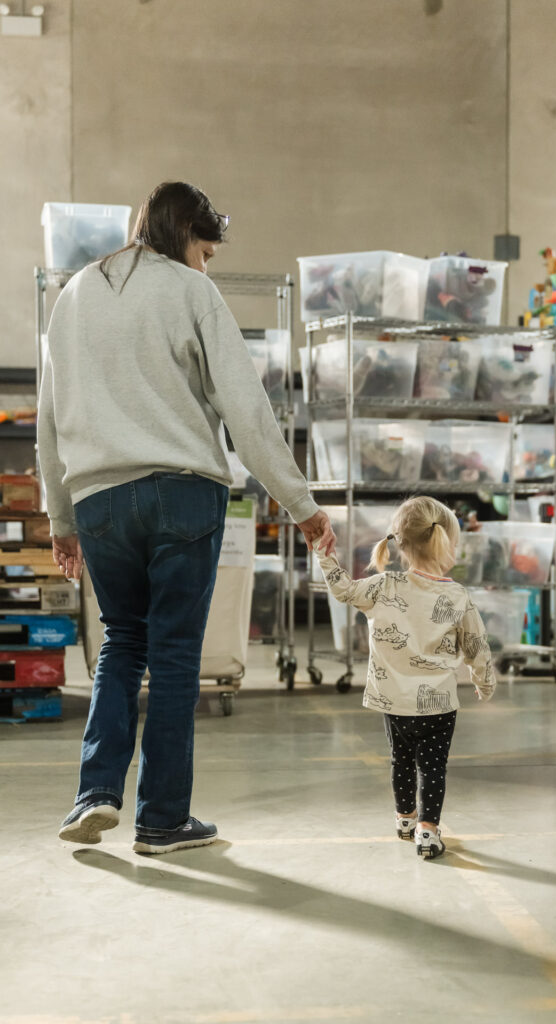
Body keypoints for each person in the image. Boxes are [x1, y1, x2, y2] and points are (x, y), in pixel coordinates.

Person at [38, 181, 335, 855]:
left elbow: (50, 421)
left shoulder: (75, 293)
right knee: (173, 657)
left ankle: (94, 794)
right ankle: (163, 821)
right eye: (206, 252)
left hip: (98, 500)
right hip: (181, 494)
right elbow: (246, 409)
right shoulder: (192, 291)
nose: (206, 267)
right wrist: (302, 506)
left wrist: (60, 517)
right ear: (186, 238)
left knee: (121, 642)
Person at [315, 496, 495, 860]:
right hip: (439, 705)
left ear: (401, 545)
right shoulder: (457, 596)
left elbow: (343, 589)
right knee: (432, 767)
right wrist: (484, 681)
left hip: (393, 701)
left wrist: (324, 553)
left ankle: (405, 820)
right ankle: (428, 832)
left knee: (400, 760)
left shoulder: (383, 586)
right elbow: (477, 646)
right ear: (447, 544)